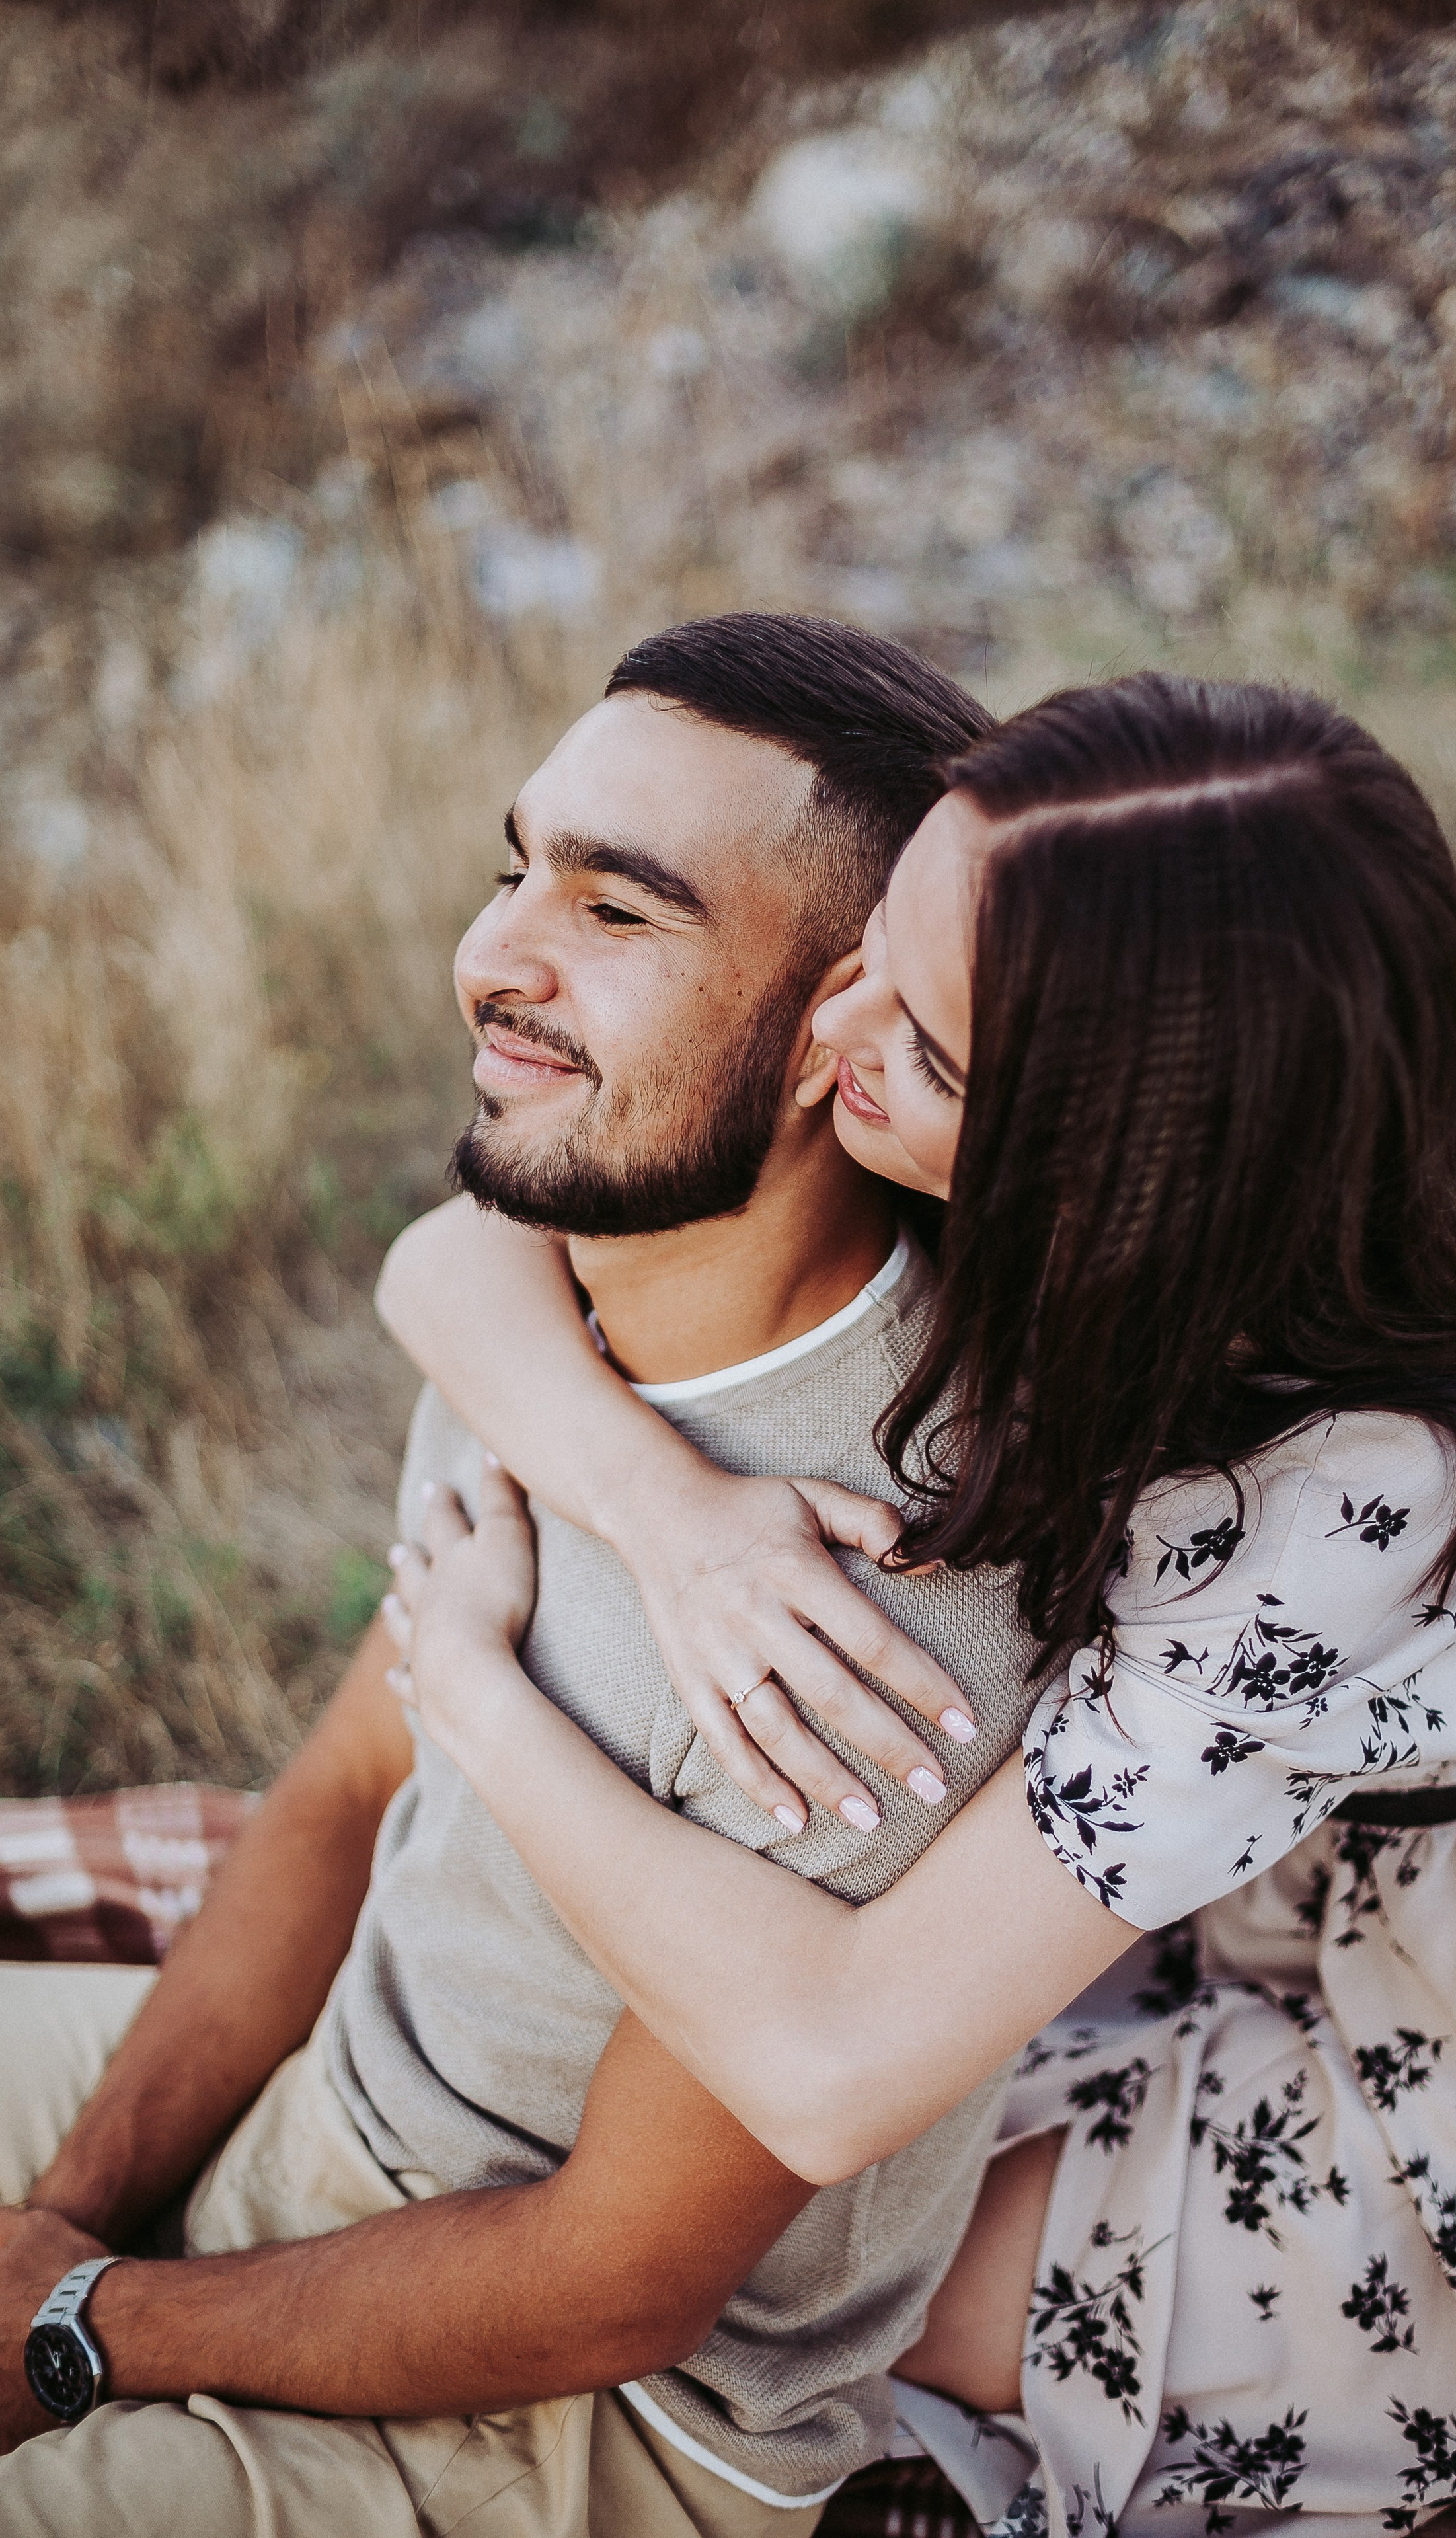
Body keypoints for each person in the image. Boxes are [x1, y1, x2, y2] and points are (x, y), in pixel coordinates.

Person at [378, 672, 1456, 2537]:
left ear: (1112, 1166)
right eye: (870, 951)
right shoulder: (1120, 998)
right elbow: (450, 1260)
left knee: (788, 2286)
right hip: (1257, 1870)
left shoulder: (1344, 1508)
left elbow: (828, 2070)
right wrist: (667, 1514)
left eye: (919, 1043)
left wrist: (473, 1694)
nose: (831, 1029)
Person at [0, 612, 1080, 2535]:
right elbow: (352, 1787)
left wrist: (84, 2322)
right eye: (518, 869)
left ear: (844, 1027)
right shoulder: (567, 1284)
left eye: (617, 910)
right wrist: (71, 2215)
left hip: (573, 2423)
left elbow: (612, 2282)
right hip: (332, 2100)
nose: (491, 959)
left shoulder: (878, 1611)